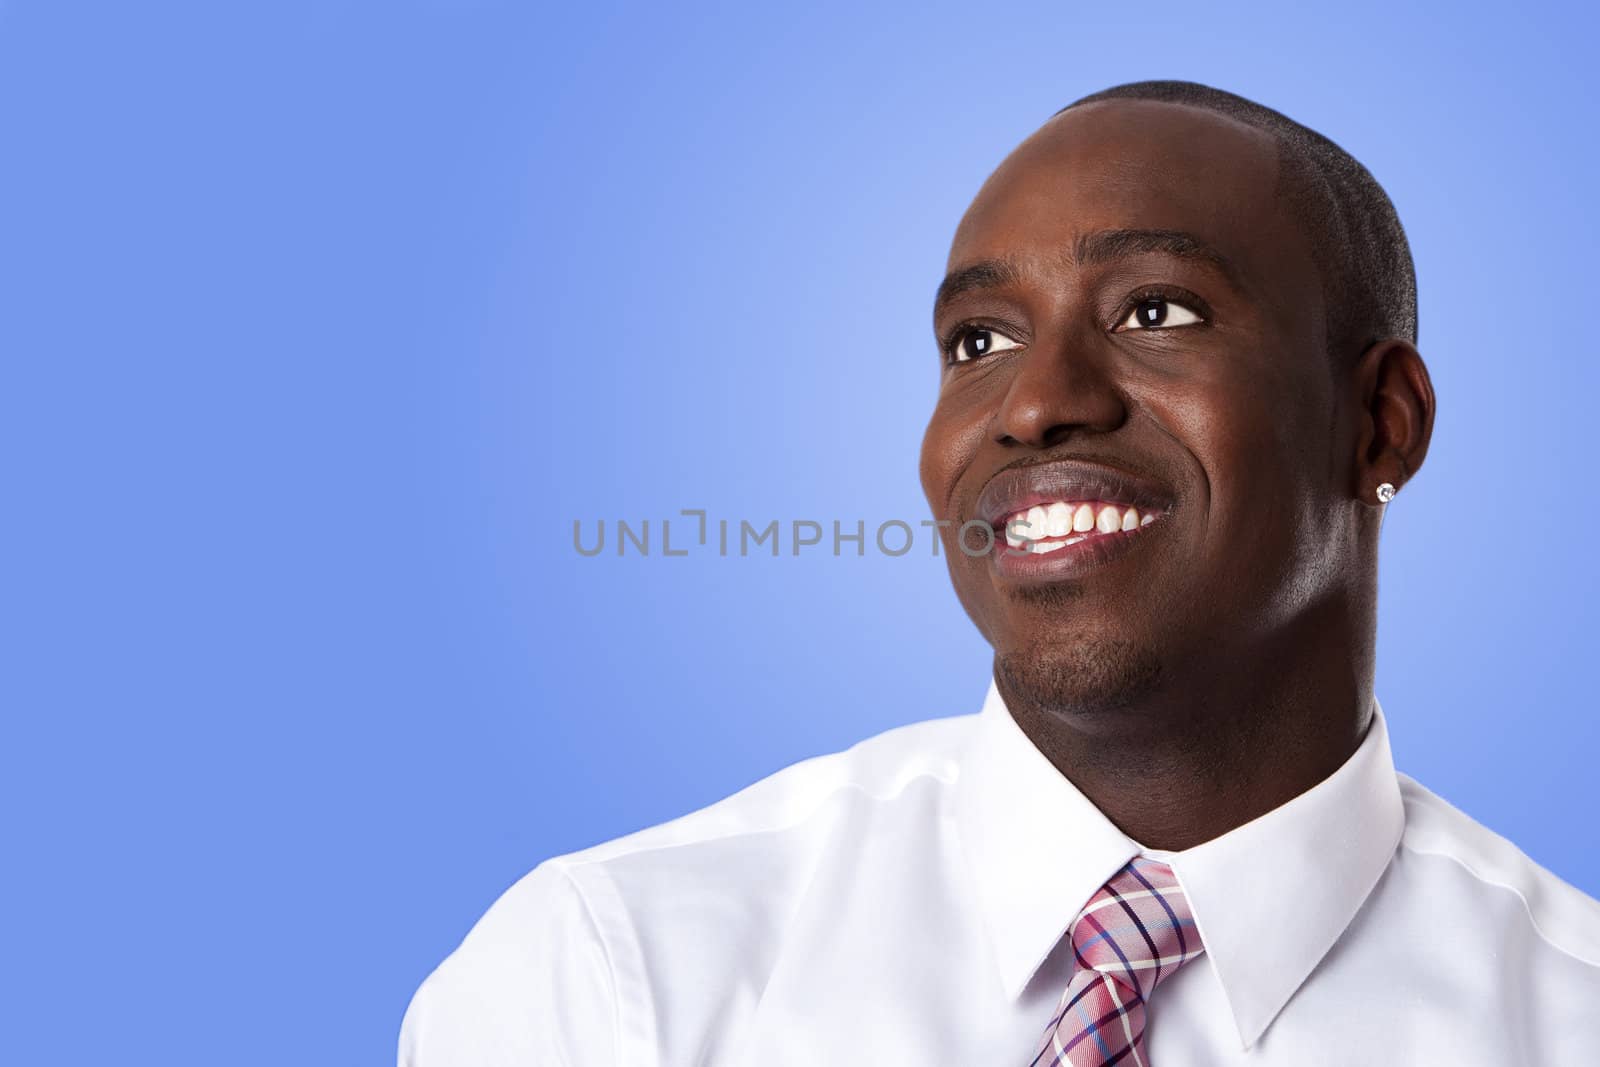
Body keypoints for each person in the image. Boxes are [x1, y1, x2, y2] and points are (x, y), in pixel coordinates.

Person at [398, 81, 1600, 1065]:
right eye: (980, 340)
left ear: (1380, 424)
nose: (1034, 403)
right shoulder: (613, 982)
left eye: (1157, 310)